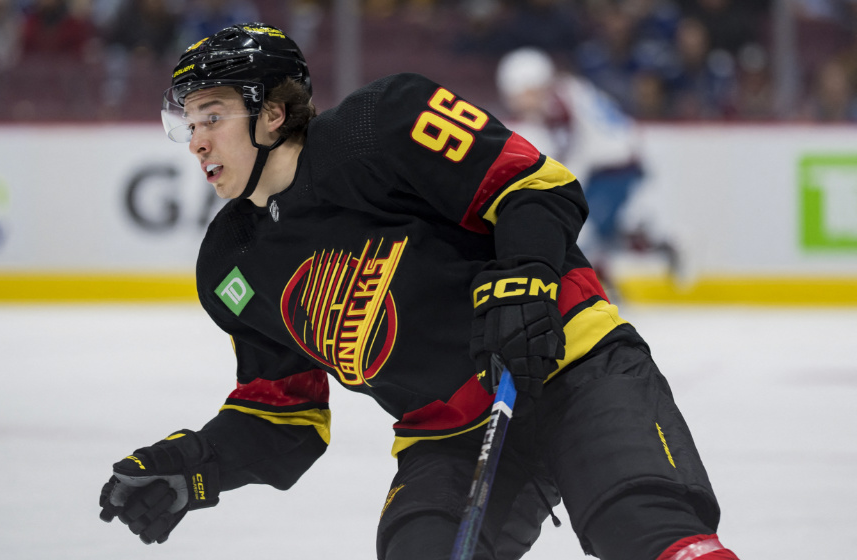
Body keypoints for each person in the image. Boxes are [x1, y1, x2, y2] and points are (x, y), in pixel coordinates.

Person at [98, 23, 741, 560]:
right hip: (446, 439)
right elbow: (286, 418)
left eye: (213, 116)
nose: (197, 141)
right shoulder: (230, 265)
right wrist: (197, 462)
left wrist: (524, 277)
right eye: (188, 122)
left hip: (573, 368)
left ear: (272, 113)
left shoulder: (380, 124)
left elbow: (535, 186)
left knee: (645, 531)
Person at [496, 46, 678, 290]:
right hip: (615, 163)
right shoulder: (564, 92)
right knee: (603, 230)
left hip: (614, 166)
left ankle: (596, 288)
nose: (515, 101)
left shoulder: (556, 106)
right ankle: (660, 247)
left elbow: (568, 155)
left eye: (518, 94)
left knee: (582, 230)